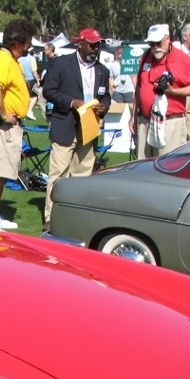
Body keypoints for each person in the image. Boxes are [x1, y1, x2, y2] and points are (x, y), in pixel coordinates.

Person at [41, 28, 109, 230]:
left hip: (89, 128)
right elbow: (48, 91)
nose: (96, 48)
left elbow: (105, 96)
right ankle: (51, 217)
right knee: (58, 174)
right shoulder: (61, 64)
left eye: (98, 44)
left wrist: (104, 105)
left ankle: (76, 216)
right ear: (80, 43)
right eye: (92, 44)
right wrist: (71, 102)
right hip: (65, 125)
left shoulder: (102, 70)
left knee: (83, 176)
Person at [0, 18, 37, 231]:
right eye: (28, 41)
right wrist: (5, 115)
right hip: (3, 125)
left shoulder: (6, 59)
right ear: (19, 41)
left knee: (3, 171)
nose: (29, 45)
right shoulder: (4, 60)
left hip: (9, 124)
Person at [130, 23, 190, 159]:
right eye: (151, 44)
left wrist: (173, 92)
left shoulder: (182, 59)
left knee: (168, 166)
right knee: (142, 167)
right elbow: (139, 87)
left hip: (170, 123)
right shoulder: (146, 56)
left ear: (167, 39)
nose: (155, 47)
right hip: (145, 121)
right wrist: (133, 116)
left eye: (158, 43)